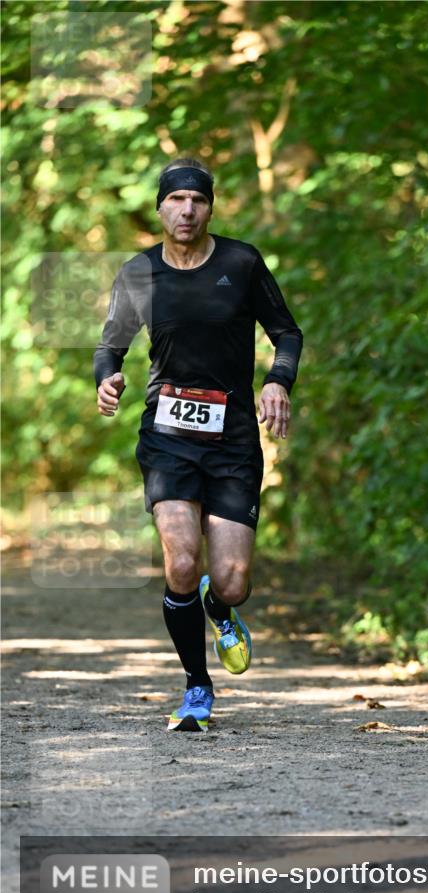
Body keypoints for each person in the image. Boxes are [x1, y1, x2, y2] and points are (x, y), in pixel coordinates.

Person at [94, 157, 302, 732]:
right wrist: (106, 378)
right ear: (160, 208)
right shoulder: (139, 273)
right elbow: (109, 346)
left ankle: (218, 606)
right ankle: (196, 687)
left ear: (211, 207)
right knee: (181, 560)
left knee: (233, 581)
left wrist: (277, 380)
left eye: (198, 200)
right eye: (177, 200)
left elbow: (286, 330)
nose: (187, 210)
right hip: (167, 437)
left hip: (232, 437)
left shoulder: (241, 261)